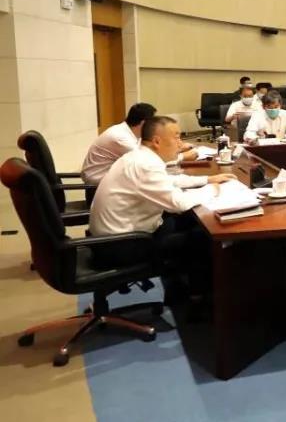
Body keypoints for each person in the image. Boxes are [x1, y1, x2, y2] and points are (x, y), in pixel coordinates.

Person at [88, 116, 236, 287]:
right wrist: (212, 189)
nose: (180, 144)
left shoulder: (140, 156)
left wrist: (207, 180)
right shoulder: (145, 165)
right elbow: (178, 203)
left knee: (190, 220)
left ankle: (181, 285)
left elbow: (170, 181)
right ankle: (191, 296)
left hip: (113, 237)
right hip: (120, 246)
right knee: (203, 237)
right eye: (177, 137)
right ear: (157, 141)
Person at [81, 103, 196, 186]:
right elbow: (150, 161)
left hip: (113, 180)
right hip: (98, 186)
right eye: (152, 123)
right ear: (143, 123)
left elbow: (151, 152)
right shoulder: (120, 138)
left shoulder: (129, 131)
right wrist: (183, 156)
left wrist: (177, 148)